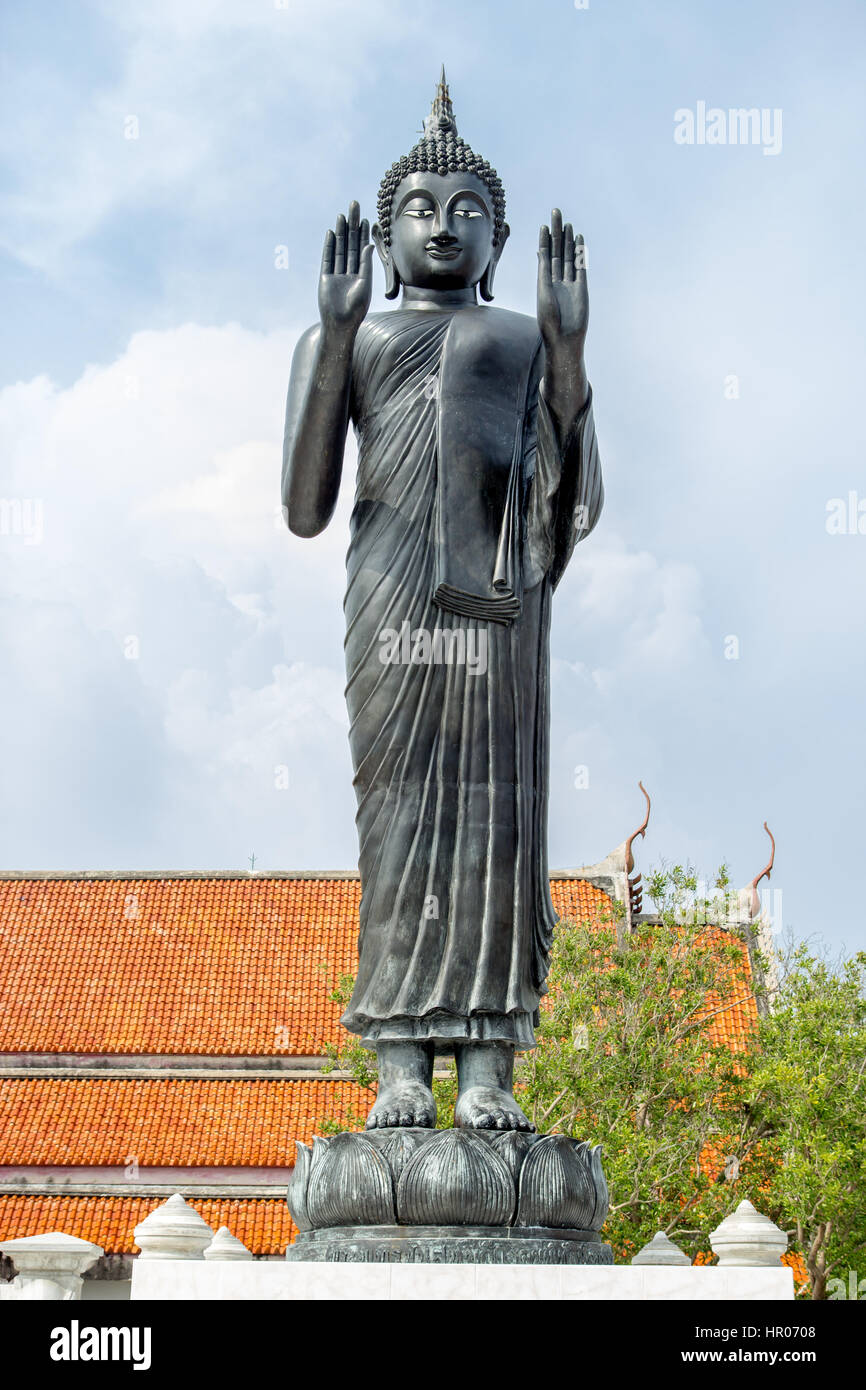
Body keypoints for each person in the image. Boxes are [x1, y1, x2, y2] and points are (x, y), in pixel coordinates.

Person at [282, 72, 602, 1131]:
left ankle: (487, 1071)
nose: (443, 227)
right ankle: (400, 1064)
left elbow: (576, 501)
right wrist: (332, 338)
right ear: (384, 236)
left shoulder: (518, 343)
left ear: (498, 241)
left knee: (490, 818)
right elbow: (302, 502)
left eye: (467, 213)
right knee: (403, 817)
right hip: (392, 603)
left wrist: (565, 351)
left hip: (493, 613)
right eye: (420, 210)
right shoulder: (356, 337)